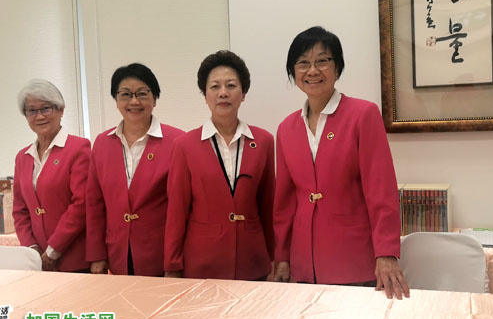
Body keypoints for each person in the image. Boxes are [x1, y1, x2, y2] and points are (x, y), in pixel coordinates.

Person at [272, 27, 410, 299]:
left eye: (322, 61)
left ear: (337, 68)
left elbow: (380, 190)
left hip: (354, 261)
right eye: (303, 63)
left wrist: (386, 252)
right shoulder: (286, 128)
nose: (312, 70)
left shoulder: (363, 115)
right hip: (304, 263)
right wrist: (282, 256)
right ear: (293, 71)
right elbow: (285, 203)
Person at [164, 50, 275, 280]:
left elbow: (268, 206)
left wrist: (276, 257)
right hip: (203, 263)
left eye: (231, 85)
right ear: (205, 95)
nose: (223, 93)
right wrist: (172, 265)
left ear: (243, 93)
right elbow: (176, 211)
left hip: (252, 261)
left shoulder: (263, 141)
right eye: (215, 86)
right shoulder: (185, 145)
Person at [85, 63, 184, 276]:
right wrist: (97, 255)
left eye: (142, 94)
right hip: (117, 251)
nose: (134, 101)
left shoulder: (178, 141)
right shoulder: (102, 143)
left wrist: (174, 262)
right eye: (125, 94)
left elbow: (183, 208)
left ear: (154, 98)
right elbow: (94, 204)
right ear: (116, 100)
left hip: (160, 254)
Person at [13, 79, 91, 272]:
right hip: (37, 261)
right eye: (32, 110)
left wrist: (52, 251)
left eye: (46, 108)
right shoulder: (23, 157)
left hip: (74, 259)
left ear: (61, 110)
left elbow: (81, 205)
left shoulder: (79, 148)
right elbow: (20, 210)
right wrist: (31, 248)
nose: (39, 116)